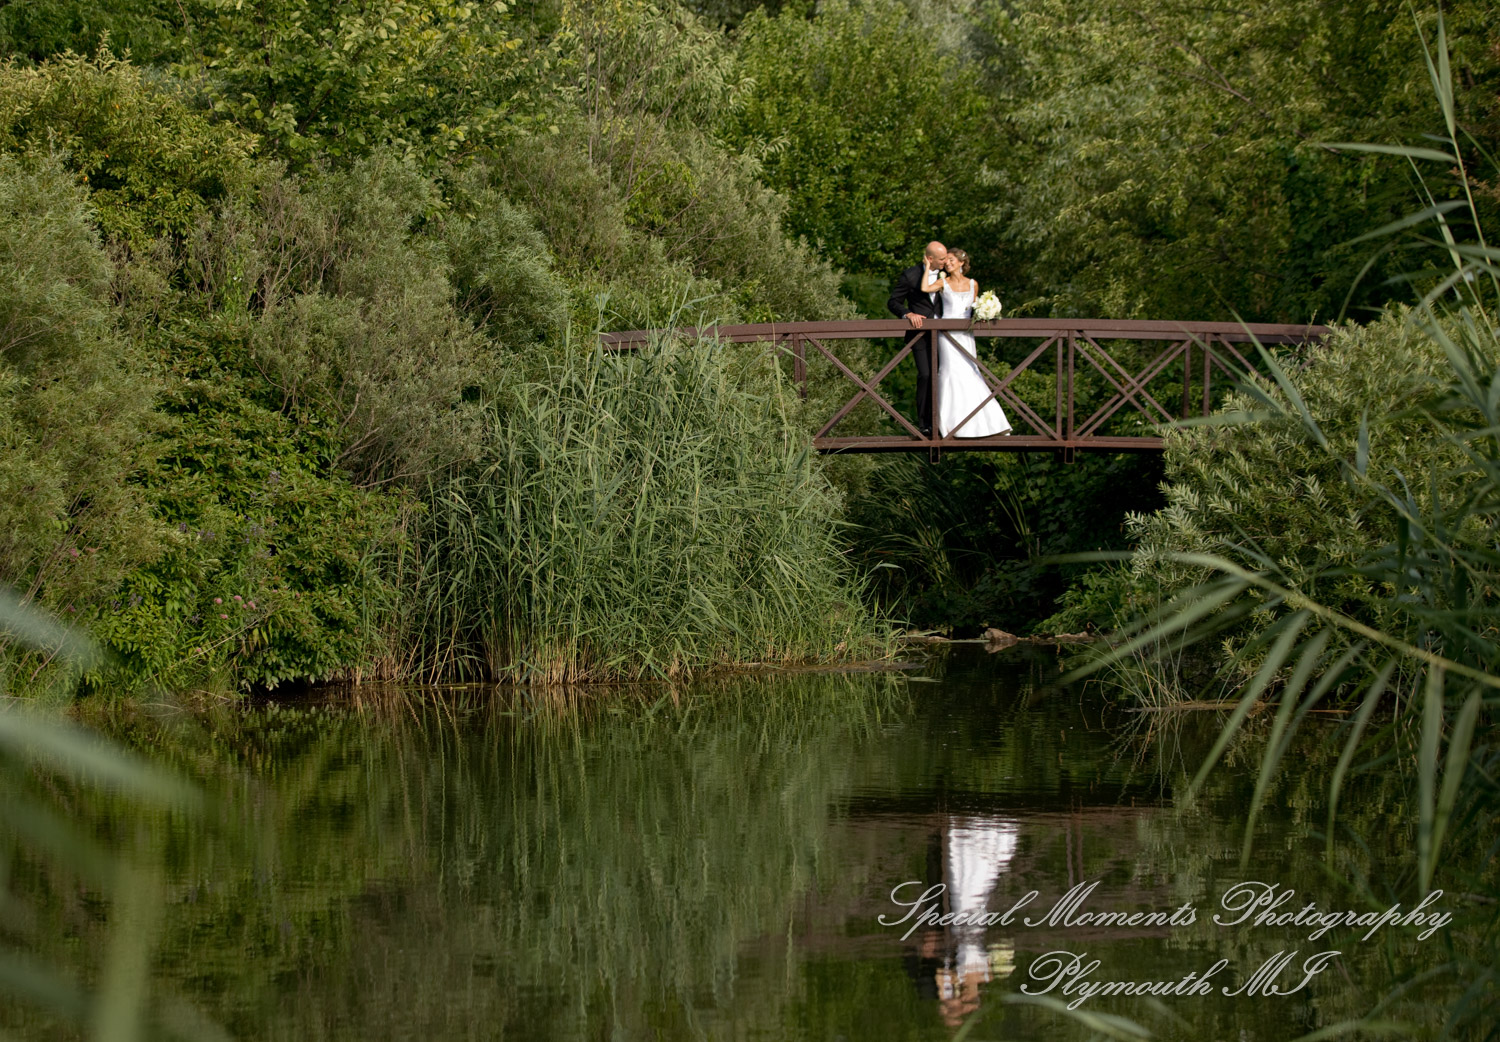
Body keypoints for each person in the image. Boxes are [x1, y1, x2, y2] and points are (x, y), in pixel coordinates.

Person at [923, 249, 1011, 438]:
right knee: (949, 372)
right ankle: (948, 425)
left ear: (961, 262)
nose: (947, 263)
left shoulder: (973, 284)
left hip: (965, 334)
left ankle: (983, 424)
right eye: (946, 261)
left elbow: (973, 308)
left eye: (951, 260)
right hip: (947, 334)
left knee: (970, 371)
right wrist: (928, 268)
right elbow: (925, 288)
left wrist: (985, 312)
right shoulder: (943, 282)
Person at [887, 241, 948, 436]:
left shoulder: (948, 273)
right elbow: (893, 301)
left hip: (945, 334)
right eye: (942, 259)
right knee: (926, 375)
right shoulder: (910, 275)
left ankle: (944, 422)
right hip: (920, 335)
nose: (946, 261)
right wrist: (908, 314)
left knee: (945, 375)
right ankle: (925, 424)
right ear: (930, 259)